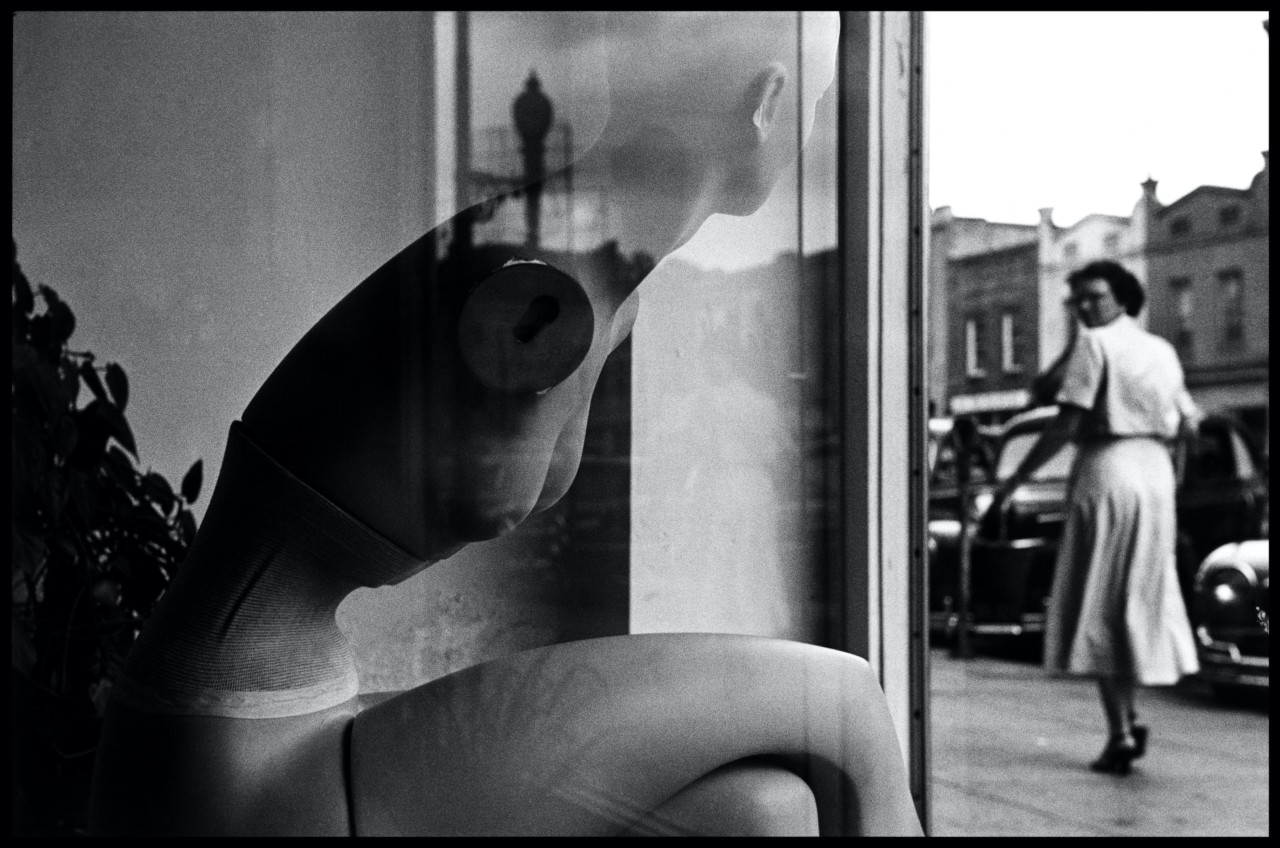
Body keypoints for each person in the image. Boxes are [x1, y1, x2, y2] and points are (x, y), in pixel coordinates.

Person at [89, 13, 923, 836]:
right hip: (231, 733)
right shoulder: (537, 284)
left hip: (281, 703)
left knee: (761, 814)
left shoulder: (597, 287)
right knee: (841, 701)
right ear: (766, 102)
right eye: (815, 105)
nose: (813, 137)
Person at [992, 260, 1200, 776]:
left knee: (1102, 597)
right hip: (1154, 476)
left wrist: (1015, 479)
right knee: (1136, 592)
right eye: (1078, 299)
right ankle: (1129, 717)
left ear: (1122, 298)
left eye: (1095, 297)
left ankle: (1121, 733)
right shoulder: (1161, 350)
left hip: (1107, 469)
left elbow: (1068, 422)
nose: (1085, 307)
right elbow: (1191, 423)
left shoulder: (1095, 344)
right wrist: (1171, 471)